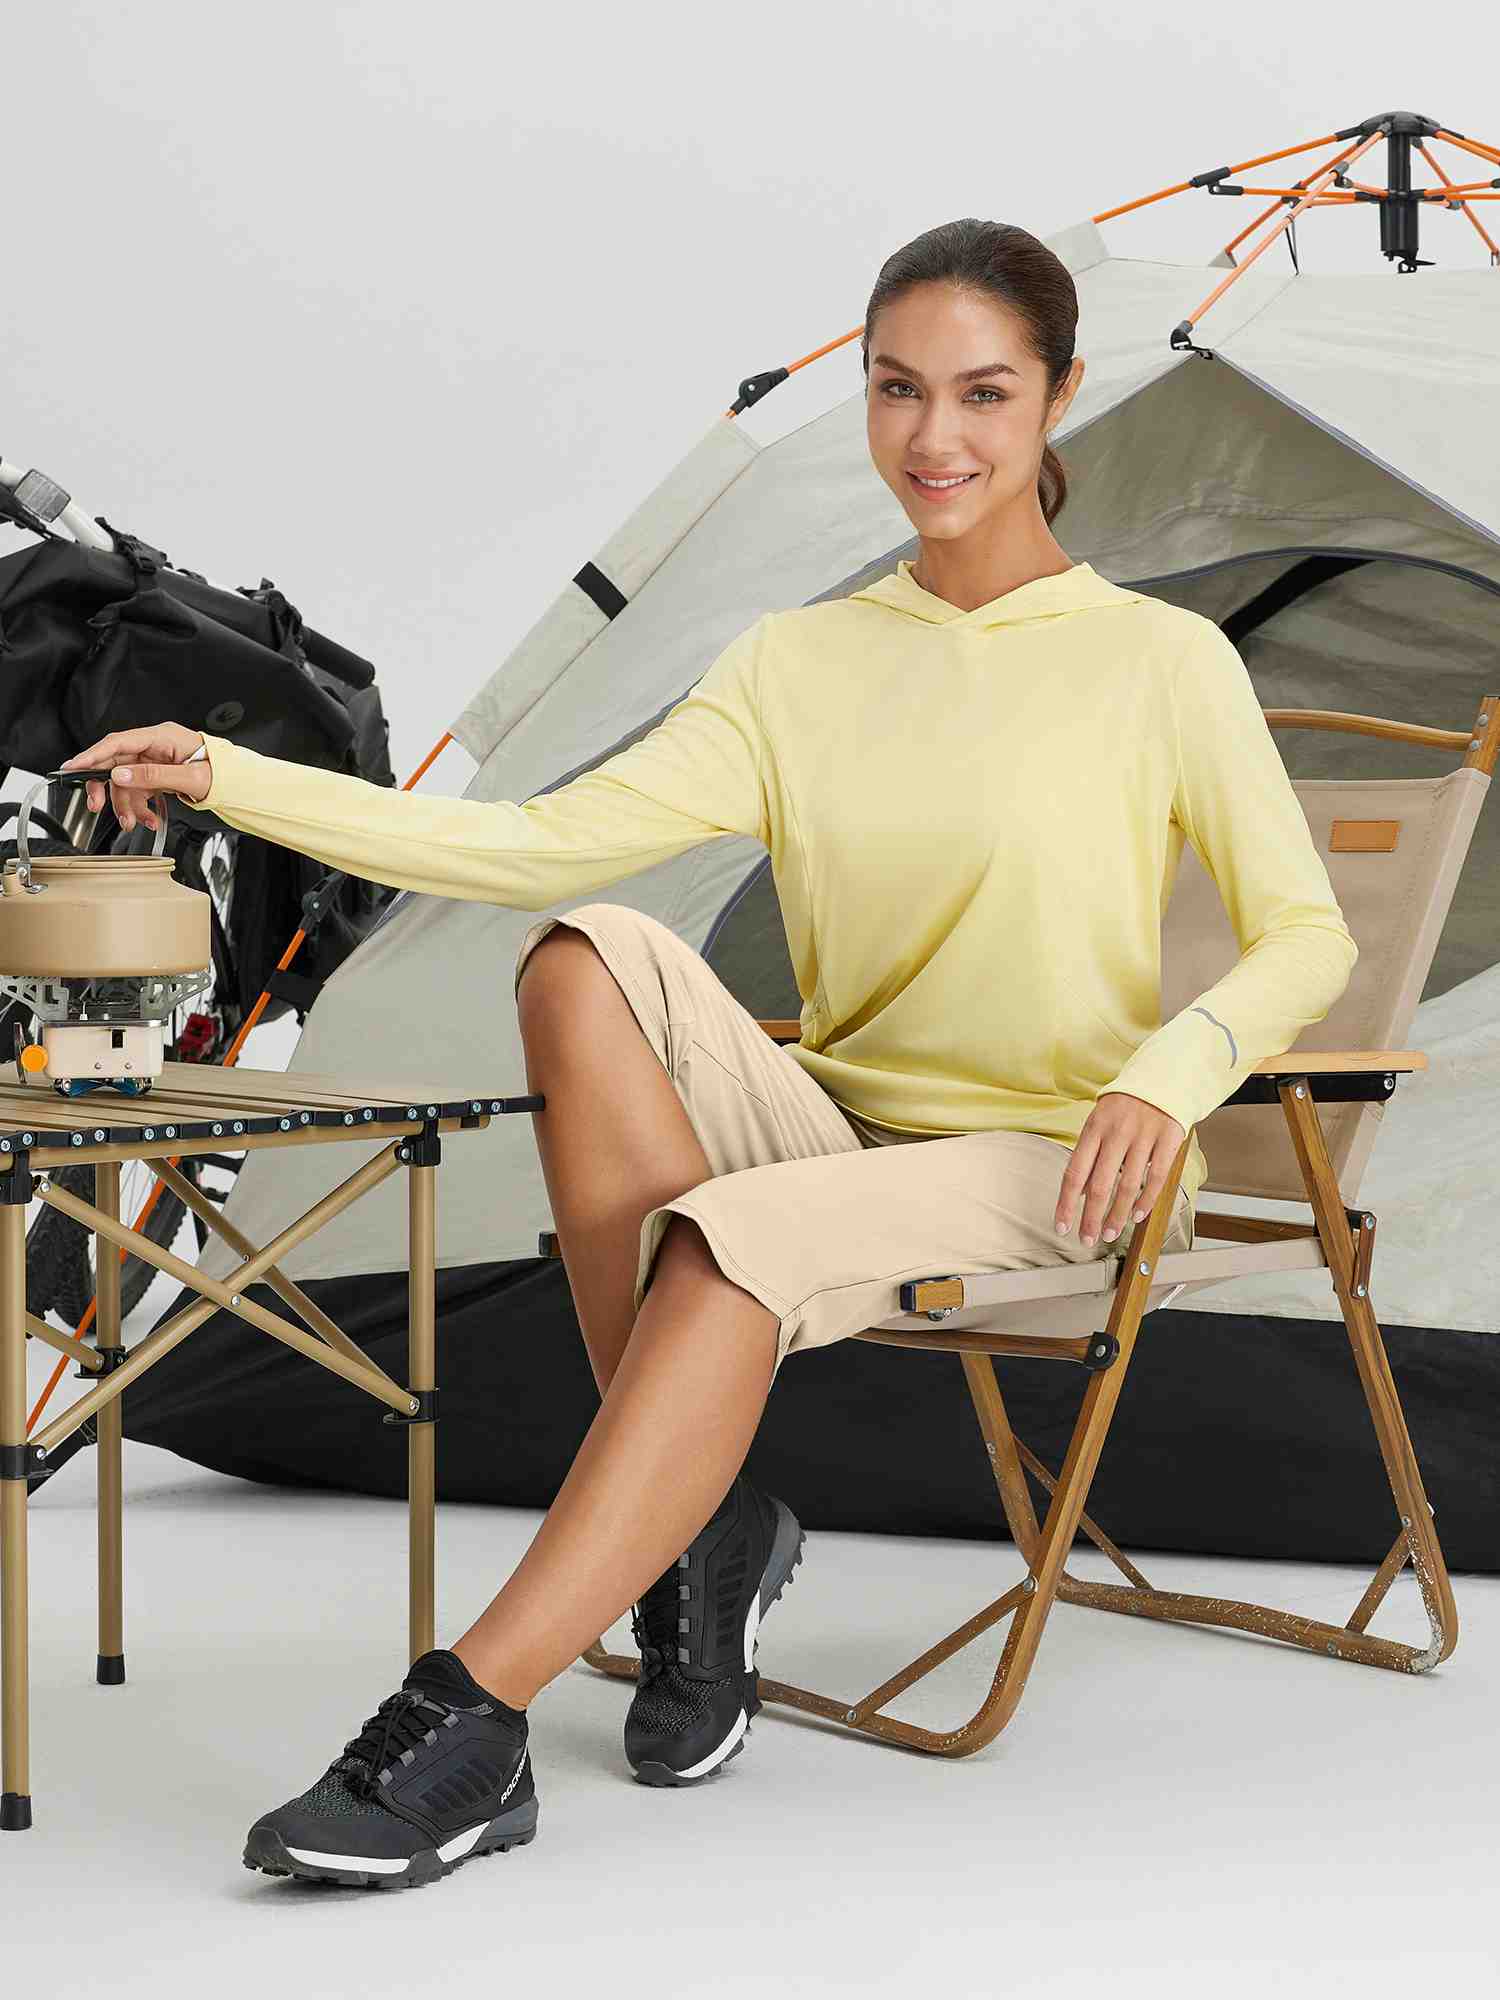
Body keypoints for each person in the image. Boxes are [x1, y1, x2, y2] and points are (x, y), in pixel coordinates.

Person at [61, 217, 1357, 1890]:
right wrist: (231, 777)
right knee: (582, 956)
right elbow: (529, 843)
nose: (934, 437)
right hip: (846, 1136)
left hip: (1060, 1166)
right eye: (896, 389)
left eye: (982, 393)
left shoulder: (1159, 662)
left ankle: (471, 1718)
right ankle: (703, 1524)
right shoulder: (797, 662)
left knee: (727, 1234)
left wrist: (1168, 1075)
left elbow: (1306, 934)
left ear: (1059, 399)